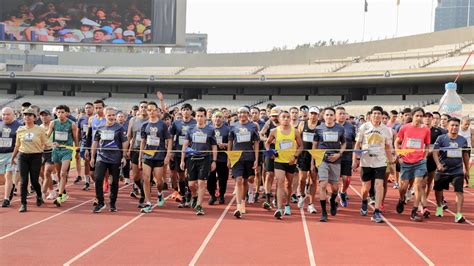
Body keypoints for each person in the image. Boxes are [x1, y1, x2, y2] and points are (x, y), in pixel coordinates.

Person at [352, 106, 394, 223]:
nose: (376, 115)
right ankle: (364, 201)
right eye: (374, 113)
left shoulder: (386, 129)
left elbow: (387, 147)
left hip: (380, 161)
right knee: (366, 188)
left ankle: (376, 211)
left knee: (379, 185)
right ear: (370, 115)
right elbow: (357, 145)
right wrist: (355, 160)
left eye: (378, 114)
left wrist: (391, 163)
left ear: (382, 116)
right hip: (366, 162)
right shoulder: (364, 127)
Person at [395, 107, 430, 222]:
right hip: (406, 161)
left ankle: (414, 212)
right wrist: (399, 155)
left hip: (419, 162)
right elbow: (397, 142)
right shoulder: (404, 128)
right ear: (413, 116)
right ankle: (401, 199)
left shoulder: (426, 130)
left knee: (418, 185)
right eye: (417, 116)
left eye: (421, 116)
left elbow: (427, 145)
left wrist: (424, 157)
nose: (419, 118)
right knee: (403, 187)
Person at [90, 107, 129, 213]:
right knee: (98, 179)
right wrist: (92, 157)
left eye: (113, 115)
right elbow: (95, 142)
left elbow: (125, 142)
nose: (111, 117)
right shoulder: (100, 127)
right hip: (101, 157)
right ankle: (100, 202)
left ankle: (112, 203)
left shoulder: (119, 128)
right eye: (109, 115)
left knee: (114, 182)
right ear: (105, 115)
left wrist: (124, 156)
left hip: (115, 159)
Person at [265, 110, 302, 219]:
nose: (286, 119)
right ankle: (279, 209)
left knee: (288, 185)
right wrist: (270, 152)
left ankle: (287, 205)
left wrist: (295, 156)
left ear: (290, 119)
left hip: (291, 162)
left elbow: (301, 146)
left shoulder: (295, 131)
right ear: (279, 119)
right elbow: (267, 143)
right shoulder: (274, 131)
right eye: (283, 117)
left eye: (287, 117)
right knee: (280, 182)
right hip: (279, 161)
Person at [180, 107, 217, 215]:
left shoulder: (210, 130)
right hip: (192, 158)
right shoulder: (190, 129)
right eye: (198, 116)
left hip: (205, 159)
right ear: (195, 117)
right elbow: (185, 145)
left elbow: (214, 146)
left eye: (202, 116)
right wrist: (182, 160)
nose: (200, 118)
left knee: (201, 182)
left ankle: (200, 205)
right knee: (191, 184)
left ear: (205, 117)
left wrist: (214, 161)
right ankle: (194, 195)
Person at [433, 117, 470, 223]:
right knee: (438, 190)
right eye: (452, 125)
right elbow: (435, 152)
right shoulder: (441, 138)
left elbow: (465, 155)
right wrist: (438, 164)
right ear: (448, 126)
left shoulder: (463, 140)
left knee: (459, 192)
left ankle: (458, 214)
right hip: (443, 170)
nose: (454, 127)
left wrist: (466, 169)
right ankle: (439, 206)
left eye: (457, 125)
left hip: (457, 170)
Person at [11, 107, 48, 212]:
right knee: (23, 181)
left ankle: (39, 195)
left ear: (34, 118)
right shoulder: (20, 129)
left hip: (36, 156)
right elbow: (17, 145)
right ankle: (23, 203)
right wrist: (13, 157)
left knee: (34, 180)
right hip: (22, 156)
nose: (27, 117)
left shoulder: (39, 129)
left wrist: (53, 145)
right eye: (25, 115)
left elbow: (46, 142)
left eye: (30, 115)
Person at [313, 107, 346, 222]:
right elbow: (314, 145)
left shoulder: (340, 128)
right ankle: (323, 212)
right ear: (323, 116)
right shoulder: (318, 129)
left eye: (331, 115)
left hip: (335, 160)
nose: (329, 117)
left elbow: (344, 143)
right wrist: (315, 160)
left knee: (335, 187)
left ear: (334, 116)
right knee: (323, 185)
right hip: (322, 159)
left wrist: (339, 154)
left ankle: (333, 200)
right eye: (327, 115)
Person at [138, 102, 172, 213]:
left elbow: (169, 140)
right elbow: (142, 142)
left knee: (159, 182)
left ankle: (159, 193)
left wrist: (168, 155)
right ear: (147, 111)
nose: (151, 112)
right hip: (147, 155)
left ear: (157, 111)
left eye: (153, 109)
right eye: (149, 110)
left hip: (159, 156)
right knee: (146, 179)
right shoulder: (144, 125)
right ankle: (148, 202)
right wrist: (140, 157)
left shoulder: (162, 125)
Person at [228, 107, 259, 218]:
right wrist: (229, 158)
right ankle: (238, 205)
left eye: (244, 113)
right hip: (236, 157)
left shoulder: (253, 126)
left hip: (249, 157)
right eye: (240, 113)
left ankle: (243, 200)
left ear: (248, 114)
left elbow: (256, 143)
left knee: (246, 180)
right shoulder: (233, 126)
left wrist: (256, 159)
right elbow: (230, 142)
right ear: (238, 114)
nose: (242, 114)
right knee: (239, 180)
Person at [48, 105, 79, 207]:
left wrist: (77, 148)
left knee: (63, 173)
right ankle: (63, 190)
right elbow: (47, 135)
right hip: (56, 150)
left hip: (67, 150)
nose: (60, 114)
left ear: (67, 113)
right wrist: (48, 143)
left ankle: (60, 196)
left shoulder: (72, 124)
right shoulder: (53, 123)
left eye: (62, 112)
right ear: (56, 113)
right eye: (58, 112)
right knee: (58, 173)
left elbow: (75, 138)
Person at [170, 103, 197, 207]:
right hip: (178, 151)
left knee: (189, 175)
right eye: (184, 109)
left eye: (187, 110)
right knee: (180, 176)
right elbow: (171, 137)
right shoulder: (176, 123)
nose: (186, 111)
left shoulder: (195, 123)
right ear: (181, 111)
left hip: (191, 153)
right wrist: (171, 150)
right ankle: (183, 196)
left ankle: (190, 194)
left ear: (191, 111)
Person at [297, 106, 319, 214]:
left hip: (315, 154)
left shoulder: (320, 126)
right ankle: (301, 195)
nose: (313, 115)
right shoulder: (302, 124)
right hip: (303, 154)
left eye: (315, 114)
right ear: (308, 114)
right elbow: (298, 139)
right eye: (312, 113)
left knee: (313, 179)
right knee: (302, 178)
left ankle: (311, 204)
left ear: (318, 115)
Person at [127, 101, 148, 206]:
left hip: (148, 151)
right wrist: (127, 149)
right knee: (135, 177)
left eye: (145, 107)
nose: (143, 109)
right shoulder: (133, 120)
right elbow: (129, 136)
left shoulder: (151, 120)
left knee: (145, 176)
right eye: (142, 107)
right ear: (139, 108)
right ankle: (142, 189)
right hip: (135, 149)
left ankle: (143, 196)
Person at [1, 107, 22, 208]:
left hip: (12, 154)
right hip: (0, 154)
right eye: (4, 114)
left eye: (8, 114)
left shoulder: (19, 126)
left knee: (8, 174)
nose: (5, 116)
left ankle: (6, 199)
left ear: (13, 115)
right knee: (2, 178)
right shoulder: (0, 124)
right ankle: (11, 186)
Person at [260, 107, 280, 209]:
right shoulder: (268, 123)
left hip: (281, 151)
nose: (274, 118)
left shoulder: (284, 123)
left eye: (276, 116)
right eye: (272, 116)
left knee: (279, 177)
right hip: (269, 150)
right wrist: (268, 140)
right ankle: (267, 198)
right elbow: (261, 135)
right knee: (269, 174)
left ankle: (276, 198)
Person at [208, 111, 230, 205]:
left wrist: (225, 145)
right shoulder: (208, 129)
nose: (217, 119)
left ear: (223, 119)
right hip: (210, 158)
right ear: (212, 118)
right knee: (210, 178)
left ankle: (221, 195)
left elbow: (231, 143)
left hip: (223, 158)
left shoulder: (227, 129)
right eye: (216, 117)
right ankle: (212, 195)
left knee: (223, 178)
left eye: (219, 117)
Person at [336, 106, 355, 208]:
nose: (342, 115)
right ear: (336, 115)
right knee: (335, 180)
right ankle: (334, 200)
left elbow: (354, 141)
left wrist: (355, 157)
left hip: (347, 157)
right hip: (334, 157)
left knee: (346, 179)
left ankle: (342, 192)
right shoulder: (332, 126)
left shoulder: (350, 127)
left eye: (344, 113)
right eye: (340, 113)